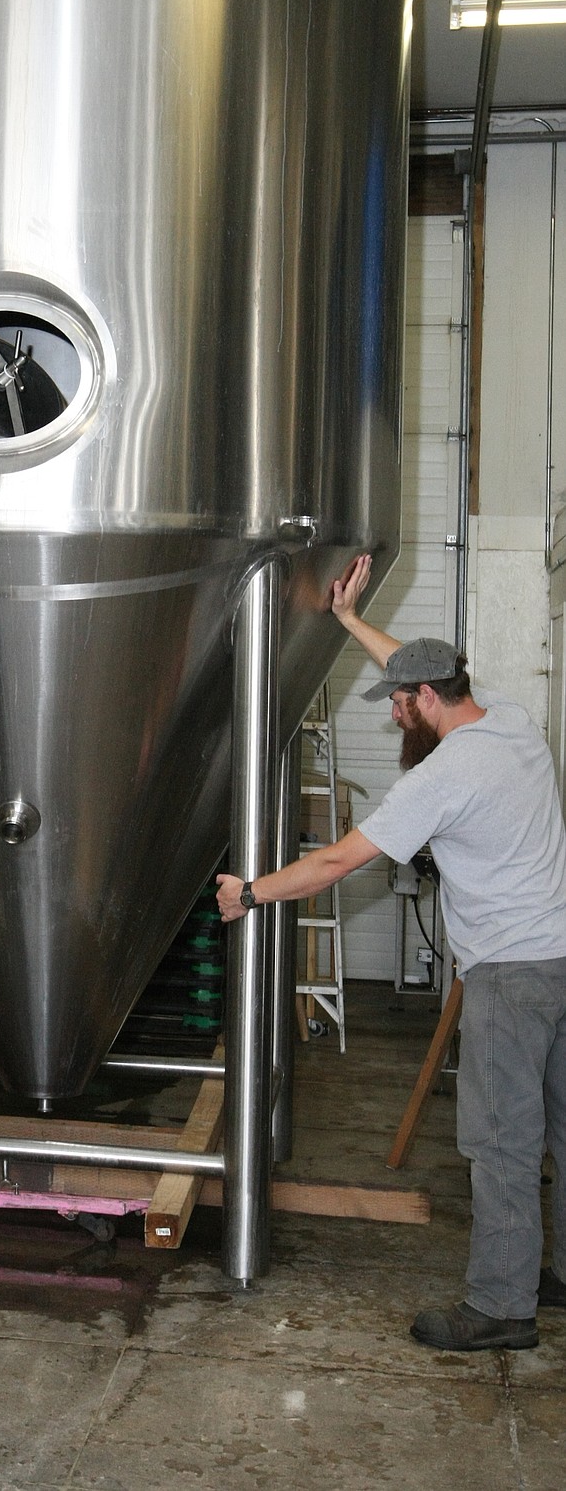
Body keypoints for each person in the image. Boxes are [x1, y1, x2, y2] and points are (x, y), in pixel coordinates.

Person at [217, 553, 566, 1353]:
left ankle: (503, 1306)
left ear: (425, 699)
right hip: (561, 955)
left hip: (510, 979)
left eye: (399, 704)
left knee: (501, 1140)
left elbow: (337, 861)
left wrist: (253, 892)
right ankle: (559, 1276)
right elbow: (414, 662)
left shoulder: (439, 779)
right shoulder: (509, 720)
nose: (394, 715)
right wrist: (347, 622)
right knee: (562, 1129)